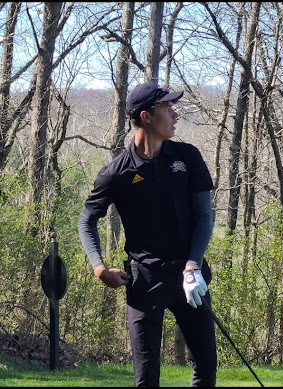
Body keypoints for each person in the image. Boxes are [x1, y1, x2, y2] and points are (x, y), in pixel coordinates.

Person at [77, 81, 217, 387]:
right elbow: (87, 220)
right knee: (146, 379)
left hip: (189, 276)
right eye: (167, 108)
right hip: (145, 281)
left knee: (206, 367)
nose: (175, 114)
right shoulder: (116, 173)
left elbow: (205, 217)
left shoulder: (187, 158)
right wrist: (99, 268)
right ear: (146, 117)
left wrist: (193, 265)